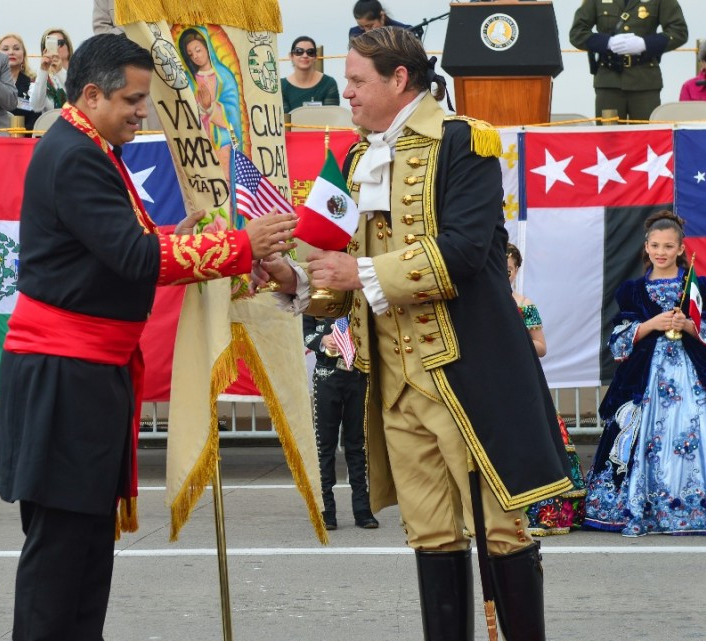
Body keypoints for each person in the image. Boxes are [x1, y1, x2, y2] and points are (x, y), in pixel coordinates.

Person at [256, 26, 569, 641]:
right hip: (395, 385)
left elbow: (463, 252)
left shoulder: (464, 142)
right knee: (429, 535)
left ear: (400, 80)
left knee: (501, 532)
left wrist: (362, 271)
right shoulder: (357, 156)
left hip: (465, 374)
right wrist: (293, 276)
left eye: (356, 81)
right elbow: (345, 270)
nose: (345, 93)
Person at [0, 33, 297, 640]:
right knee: (62, 559)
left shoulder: (86, 145)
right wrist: (240, 246)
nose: (141, 111)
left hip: (82, 373)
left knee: (85, 552)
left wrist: (175, 234)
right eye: (133, 100)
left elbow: (118, 246)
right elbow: (132, 258)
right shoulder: (77, 154)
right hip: (66, 375)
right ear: (91, 93)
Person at [583, 211, 706, 536]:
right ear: (646, 247)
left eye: (668, 246)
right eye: (655, 245)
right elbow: (616, 340)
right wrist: (650, 325)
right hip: (646, 378)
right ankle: (642, 507)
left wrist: (689, 325)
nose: (661, 252)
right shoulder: (632, 290)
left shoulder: (699, 285)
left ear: (680, 248)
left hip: (696, 374)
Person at [506, 244, 586, 536]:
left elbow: (541, 346)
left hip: (521, 380)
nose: (503, 274)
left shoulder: (524, 305)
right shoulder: (477, 304)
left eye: (509, 269)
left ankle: (543, 510)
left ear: (516, 271)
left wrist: (515, 340)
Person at [302, 314, 376, 531]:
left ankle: (363, 508)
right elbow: (305, 333)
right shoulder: (316, 297)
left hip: (358, 375)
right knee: (325, 445)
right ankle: (326, 509)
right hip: (327, 375)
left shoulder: (359, 297)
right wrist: (322, 340)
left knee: (357, 443)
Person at [569, 0, 688, 121]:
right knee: (609, 137)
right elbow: (577, 33)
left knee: (645, 137)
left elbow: (679, 31)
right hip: (609, 81)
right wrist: (608, 43)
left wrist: (644, 44)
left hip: (644, 81)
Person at [179, 28, 241, 178]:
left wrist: (211, 107)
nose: (196, 56)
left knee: (224, 178)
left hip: (223, 138)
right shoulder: (189, 79)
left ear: (207, 47)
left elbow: (233, 111)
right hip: (199, 138)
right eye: (190, 54)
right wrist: (200, 107)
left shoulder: (223, 76)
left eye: (198, 50)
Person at [281, 36, 339, 113]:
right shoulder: (281, 86)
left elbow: (332, 116)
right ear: (291, 56)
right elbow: (284, 118)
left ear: (315, 57)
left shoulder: (329, 83)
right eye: (299, 51)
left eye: (310, 52)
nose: (305, 56)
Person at [0, 33, 39, 128]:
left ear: (23, 55)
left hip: (23, 138)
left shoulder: (32, 84)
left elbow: (35, 115)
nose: (11, 52)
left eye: (16, 49)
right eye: (5, 49)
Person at [28, 28, 72, 112]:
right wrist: (43, 70)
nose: (56, 47)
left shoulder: (80, 74)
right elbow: (36, 107)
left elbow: (78, 97)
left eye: (59, 43)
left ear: (68, 47)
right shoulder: (42, 79)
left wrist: (60, 71)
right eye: (50, 44)